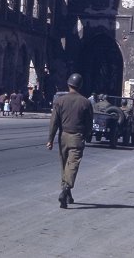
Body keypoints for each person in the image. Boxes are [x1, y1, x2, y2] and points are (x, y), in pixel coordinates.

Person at [46, 73, 93, 209]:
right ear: (80, 86)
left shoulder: (60, 101)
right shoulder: (85, 102)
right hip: (77, 137)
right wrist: (88, 135)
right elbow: (89, 123)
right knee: (72, 166)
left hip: (63, 137)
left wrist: (50, 139)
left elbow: (54, 122)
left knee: (64, 166)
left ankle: (67, 195)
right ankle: (65, 190)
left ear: (68, 84)